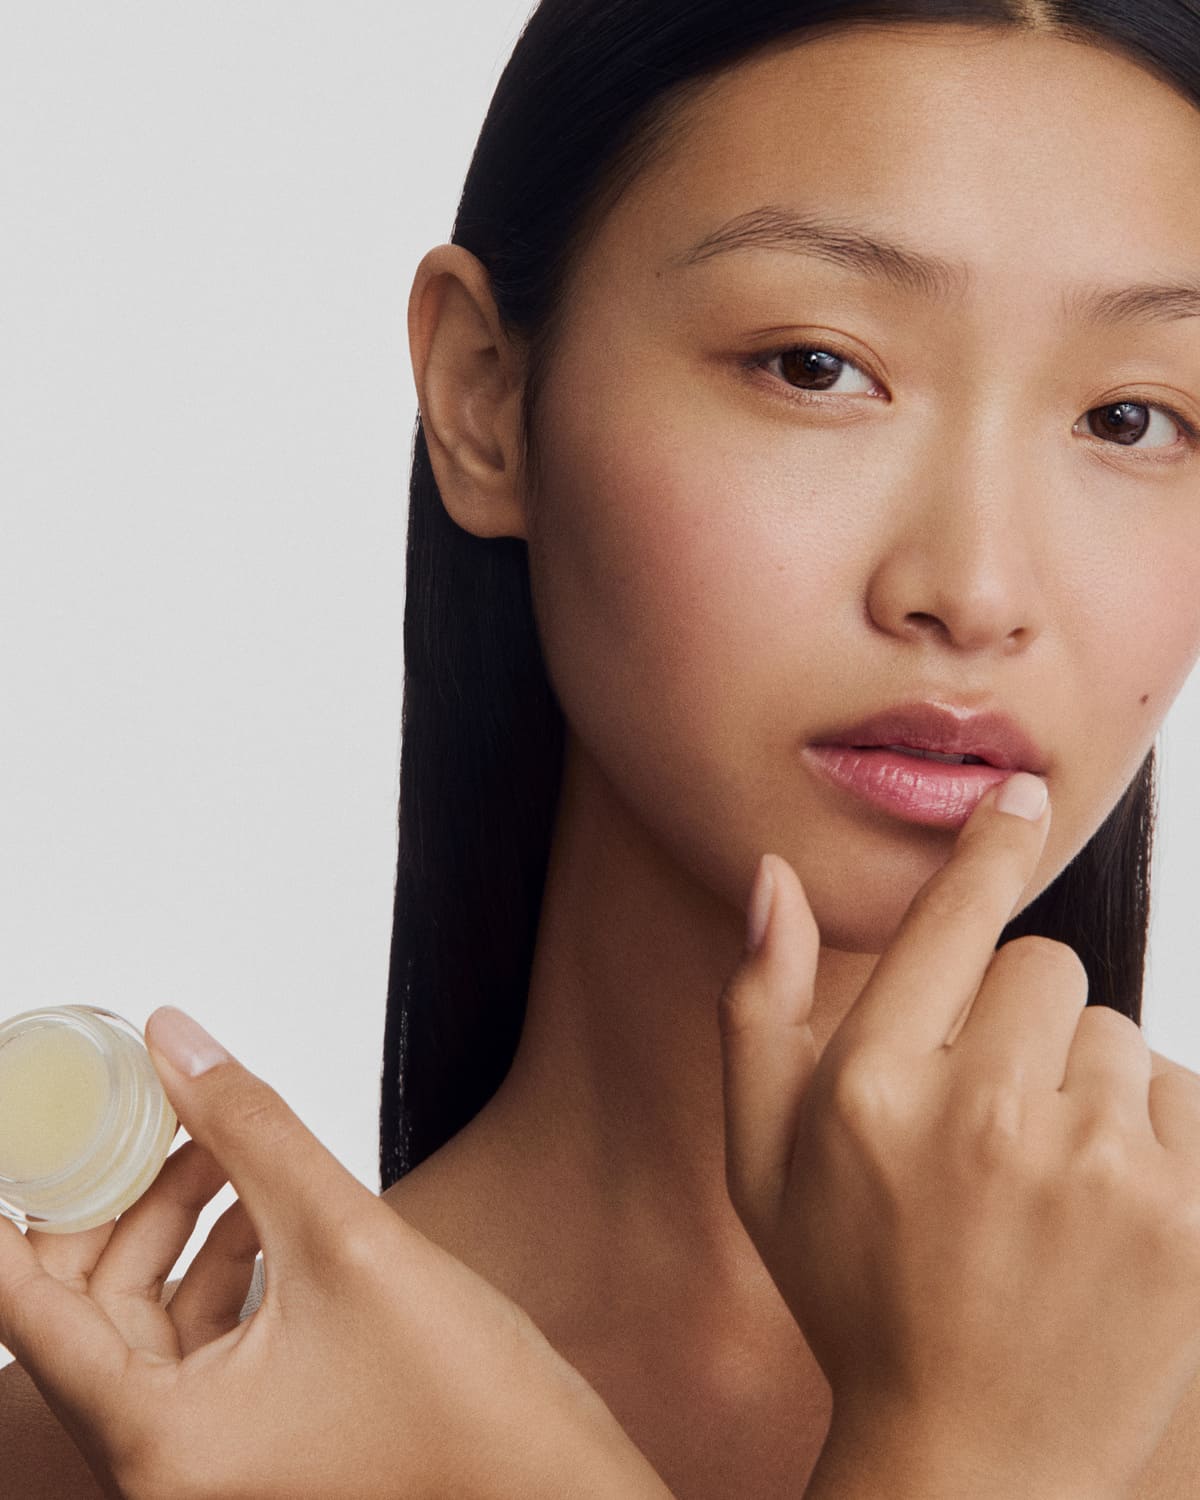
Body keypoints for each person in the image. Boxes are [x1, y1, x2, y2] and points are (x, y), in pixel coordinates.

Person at [5, 1, 1200, 1495]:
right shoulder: (97, 1459)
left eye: (1131, 417)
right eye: (815, 366)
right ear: (484, 398)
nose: (974, 588)